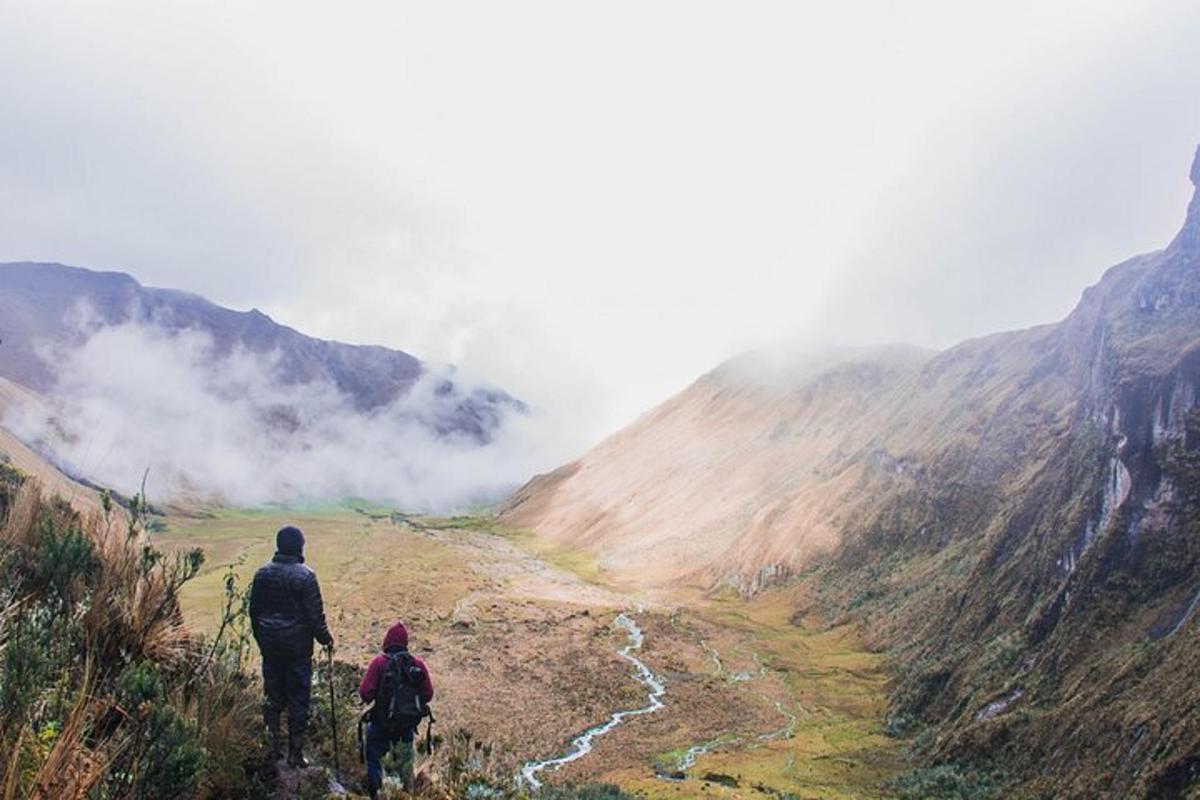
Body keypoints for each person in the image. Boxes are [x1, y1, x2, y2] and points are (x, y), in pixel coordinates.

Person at [248, 525, 334, 768]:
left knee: (272, 695)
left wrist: (261, 639)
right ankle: (295, 753)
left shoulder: (261, 574)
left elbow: (253, 613)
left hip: (270, 646)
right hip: (297, 650)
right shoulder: (306, 576)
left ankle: (272, 746)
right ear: (298, 546)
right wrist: (326, 639)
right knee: (298, 699)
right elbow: (315, 617)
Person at [359, 621, 435, 798]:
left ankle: (376, 795)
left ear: (386, 642)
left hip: (380, 725)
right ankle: (404, 795)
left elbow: (365, 693)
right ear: (405, 643)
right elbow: (428, 694)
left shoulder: (379, 663)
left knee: (375, 764)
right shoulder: (417, 664)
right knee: (404, 768)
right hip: (407, 727)